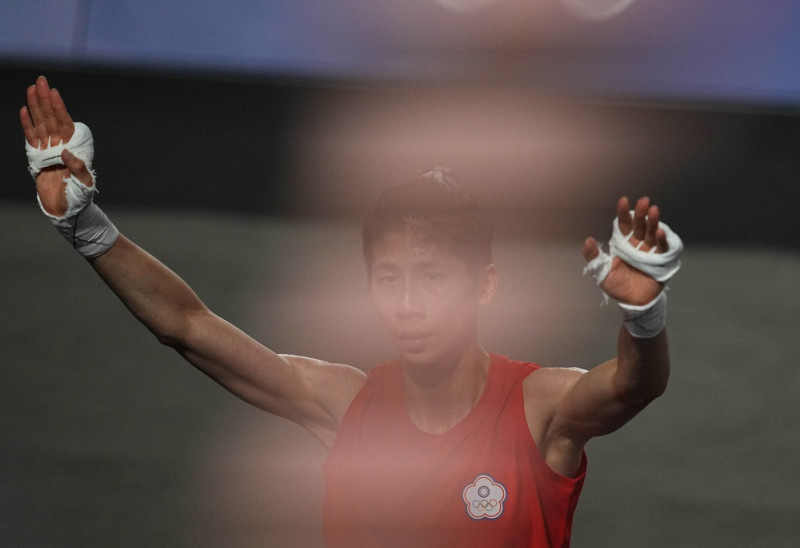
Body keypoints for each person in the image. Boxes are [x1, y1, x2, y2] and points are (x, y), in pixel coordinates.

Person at [20, 75, 681, 547]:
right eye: (388, 278)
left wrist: (643, 317)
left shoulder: (540, 407)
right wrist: (85, 227)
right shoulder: (342, 402)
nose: (407, 302)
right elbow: (187, 327)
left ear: (484, 286)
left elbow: (633, 385)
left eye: (430, 277)